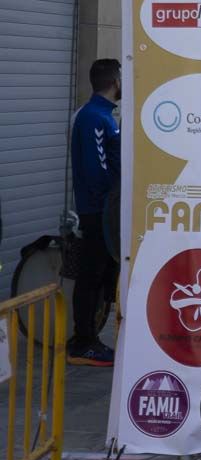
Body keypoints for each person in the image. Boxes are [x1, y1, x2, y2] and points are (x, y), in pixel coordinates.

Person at [68, 59, 122, 366]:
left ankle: (89, 336)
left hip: (106, 207)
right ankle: (83, 341)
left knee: (101, 273)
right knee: (91, 274)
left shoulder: (106, 116)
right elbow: (95, 169)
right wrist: (108, 199)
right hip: (97, 210)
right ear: (114, 81)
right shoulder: (93, 118)